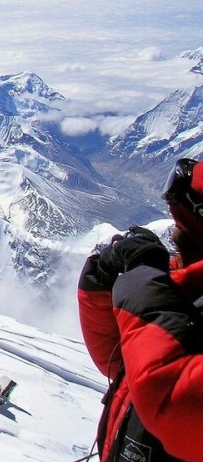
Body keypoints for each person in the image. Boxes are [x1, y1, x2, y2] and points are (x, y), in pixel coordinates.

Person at [77, 157, 203, 462]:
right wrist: (100, 286)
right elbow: (127, 361)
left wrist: (141, 279)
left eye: (180, 225)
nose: (171, 235)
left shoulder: (168, 294)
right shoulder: (182, 290)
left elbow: (175, 402)